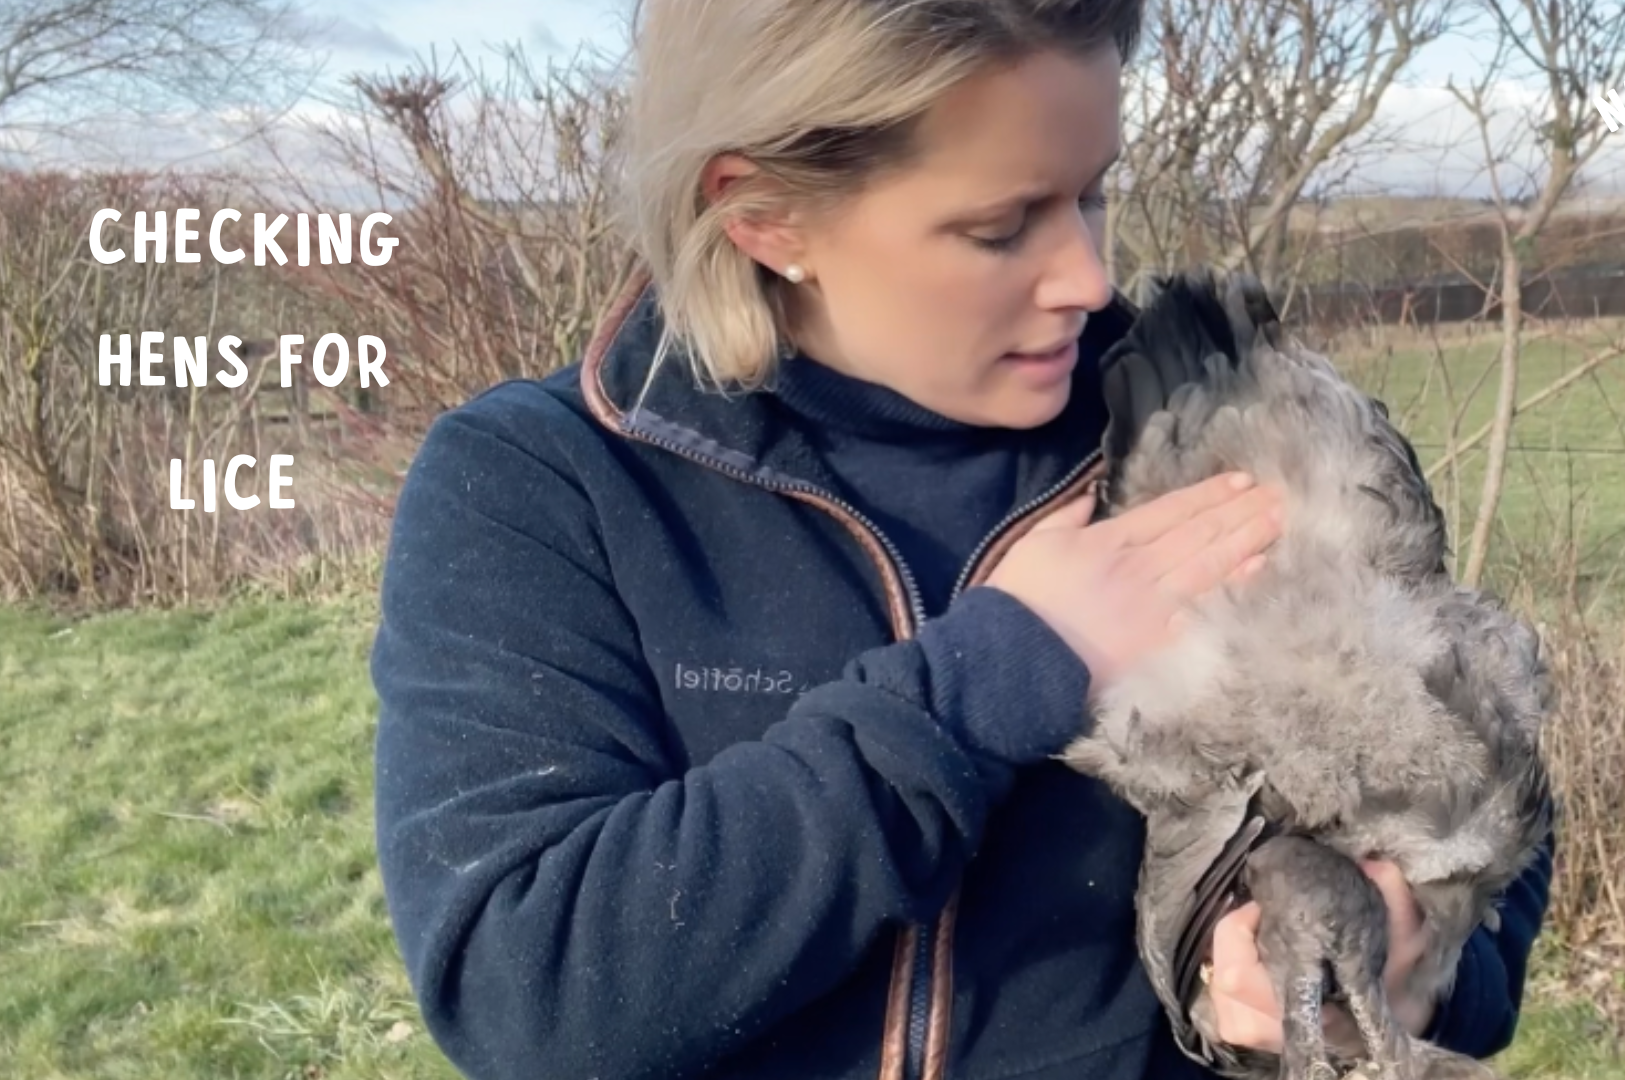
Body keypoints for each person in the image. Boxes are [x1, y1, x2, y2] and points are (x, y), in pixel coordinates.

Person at [368, 2, 1556, 1079]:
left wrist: (1413, 964)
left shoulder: (1216, 431)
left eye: (1092, 193)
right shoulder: (544, 483)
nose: (1085, 277)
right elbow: (525, 989)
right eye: (1000, 228)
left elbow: (1467, 798)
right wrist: (997, 674)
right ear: (763, 214)